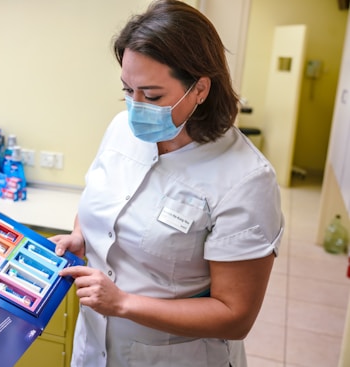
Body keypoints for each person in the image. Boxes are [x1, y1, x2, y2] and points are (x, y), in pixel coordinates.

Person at [51, 1, 284, 366]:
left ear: (200, 89)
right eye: (128, 91)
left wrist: (123, 303)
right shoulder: (120, 130)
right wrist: (82, 236)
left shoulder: (245, 179)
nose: (136, 107)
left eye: (152, 95)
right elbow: (99, 196)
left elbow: (236, 315)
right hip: (95, 346)